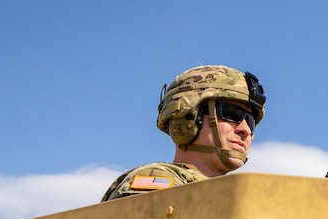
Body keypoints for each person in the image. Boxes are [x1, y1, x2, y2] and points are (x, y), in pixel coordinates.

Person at [101, 65, 266, 201]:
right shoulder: (158, 182)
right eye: (232, 114)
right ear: (188, 117)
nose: (245, 129)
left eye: (251, 121)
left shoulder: (243, 197)